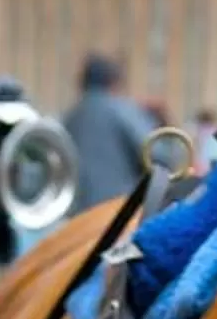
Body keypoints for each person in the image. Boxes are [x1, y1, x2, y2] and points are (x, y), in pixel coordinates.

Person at [63, 53, 154, 207]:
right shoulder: (123, 111)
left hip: (77, 217)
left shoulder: (69, 117)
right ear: (113, 81)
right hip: (116, 211)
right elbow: (156, 154)